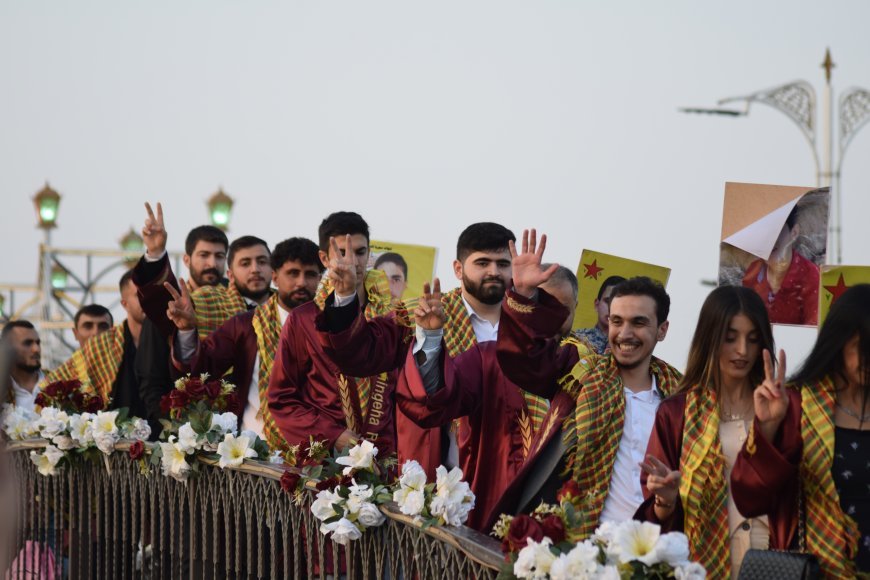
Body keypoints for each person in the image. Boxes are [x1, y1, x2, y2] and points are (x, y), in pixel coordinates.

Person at [485, 230, 682, 536]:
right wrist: (522, 295)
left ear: (662, 330)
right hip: (579, 543)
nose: (625, 333)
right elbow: (524, 360)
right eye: (617, 321)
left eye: (639, 323)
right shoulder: (580, 369)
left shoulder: (682, 397)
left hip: (655, 545)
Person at [313, 222, 529, 478]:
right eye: (482, 263)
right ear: (458, 269)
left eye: (502, 264)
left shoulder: (530, 325)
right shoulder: (419, 315)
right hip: (439, 476)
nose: (493, 271)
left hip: (517, 470)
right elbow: (360, 354)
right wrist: (346, 295)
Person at [396, 265, 578, 530]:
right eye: (543, 308)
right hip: (486, 515)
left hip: (558, 525)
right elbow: (434, 402)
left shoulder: (586, 370)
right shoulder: (488, 358)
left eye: (563, 310)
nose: (554, 320)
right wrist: (431, 338)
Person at [731, 284, 870, 577]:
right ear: (840, 340)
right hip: (813, 571)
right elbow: (749, 499)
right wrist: (768, 428)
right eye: (865, 347)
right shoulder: (797, 405)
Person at [635, 286, 775, 577]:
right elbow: (654, 515)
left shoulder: (778, 408)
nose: (742, 350)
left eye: (752, 339)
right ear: (710, 337)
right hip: (700, 565)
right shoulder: (677, 412)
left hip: (773, 562)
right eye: (730, 338)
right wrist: (667, 499)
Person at [164, 237, 323, 451]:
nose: (301, 282)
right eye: (293, 273)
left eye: (310, 274)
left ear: (320, 278)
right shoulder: (246, 325)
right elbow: (200, 371)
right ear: (275, 276)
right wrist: (186, 330)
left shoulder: (330, 328)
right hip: (252, 451)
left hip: (315, 451)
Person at [267, 212, 404, 454]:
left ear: (369, 254)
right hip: (324, 459)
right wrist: (332, 436)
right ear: (324, 258)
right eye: (342, 253)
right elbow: (282, 398)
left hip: (385, 457)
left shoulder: (392, 317)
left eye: (360, 252)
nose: (353, 262)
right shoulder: (303, 319)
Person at [45, 271, 149, 420]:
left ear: (112, 332)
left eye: (103, 326)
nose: (96, 333)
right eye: (88, 326)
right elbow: (47, 391)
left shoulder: (141, 346)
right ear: (75, 333)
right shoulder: (72, 368)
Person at [742, 206, 820, 325]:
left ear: (794, 232)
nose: (768, 239)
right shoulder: (753, 272)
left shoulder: (813, 278)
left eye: (775, 230)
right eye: (762, 232)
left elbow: (813, 331)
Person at [572, 275, 625, 355]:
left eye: (620, 304)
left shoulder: (631, 348)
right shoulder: (577, 339)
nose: (612, 308)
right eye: (607, 301)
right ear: (597, 305)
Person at [1, 320, 43, 411]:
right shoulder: (3, 389)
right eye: (28, 343)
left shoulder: (56, 383)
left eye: (38, 343)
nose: (36, 349)